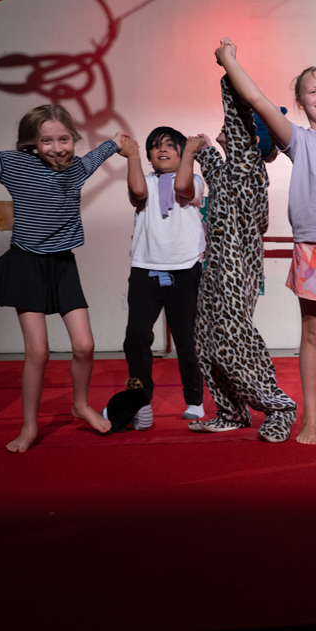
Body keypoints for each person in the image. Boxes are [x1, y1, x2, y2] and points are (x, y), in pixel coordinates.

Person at [215, 0, 316, 445]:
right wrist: (228, 58)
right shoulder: (296, 140)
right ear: (301, 103)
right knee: (312, 333)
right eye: (312, 91)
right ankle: (309, 418)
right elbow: (260, 100)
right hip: (312, 247)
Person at [0, 93, 120, 452]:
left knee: (85, 345)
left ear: (73, 139)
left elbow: (103, 151)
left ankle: (80, 404)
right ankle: (29, 427)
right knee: (38, 352)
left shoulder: (78, 167)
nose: (57, 148)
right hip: (27, 264)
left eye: (63, 139)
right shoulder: (14, 165)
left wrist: (117, 143)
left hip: (63, 264)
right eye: (47, 141)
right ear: (32, 143)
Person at [185, 69, 298, 441]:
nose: (224, 129)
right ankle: (232, 410)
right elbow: (212, 167)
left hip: (238, 261)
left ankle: (279, 407)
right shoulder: (228, 168)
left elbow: (238, 119)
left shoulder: (247, 164)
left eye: (233, 129)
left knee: (235, 336)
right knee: (205, 338)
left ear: (249, 139)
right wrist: (200, 151)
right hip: (215, 262)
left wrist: (228, 73)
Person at [118, 126, 207, 426]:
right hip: (146, 268)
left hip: (185, 269)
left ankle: (195, 400)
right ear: (149, 156)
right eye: (155, 147)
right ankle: (140, 401)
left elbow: (182, 188)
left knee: (187, 340)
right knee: (136, 336)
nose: (162, 150)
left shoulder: (194, 178)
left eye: (170, 145)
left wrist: (192, 153)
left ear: (182, 153)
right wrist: (131, 156)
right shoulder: (145, 180)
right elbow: (139, 193)